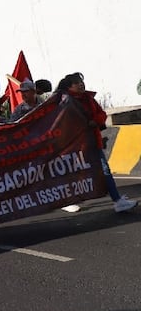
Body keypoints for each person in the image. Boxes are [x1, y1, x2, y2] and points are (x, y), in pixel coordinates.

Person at [55, 73, 137, 213]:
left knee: (105, 172)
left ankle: (118, 201)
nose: (81, 84)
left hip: (93, 143)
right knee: (73, 173)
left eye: (81, 81)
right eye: (76, 82)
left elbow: (101, 114)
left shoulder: (89, 99)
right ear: (69, 86)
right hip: (74, 146)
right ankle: (68, 201)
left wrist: (95, 121)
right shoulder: (64, 101)